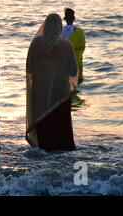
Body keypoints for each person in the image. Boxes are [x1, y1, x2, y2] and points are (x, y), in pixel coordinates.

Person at [26, 13, 78, 151]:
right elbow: (73, 71)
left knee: (44, 132)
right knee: (61, 131)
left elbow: (29, 69)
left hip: (40, 95)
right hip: (60, 96)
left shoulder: (35, 44)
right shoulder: (66, 46)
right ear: (59, 27)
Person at [62, 8, 85, 83]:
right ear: (74, 18)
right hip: (75, 62)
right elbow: (81, 47)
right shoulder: (79, 32)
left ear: (64, 18)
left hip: (63, 63)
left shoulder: (59, 31)